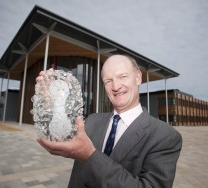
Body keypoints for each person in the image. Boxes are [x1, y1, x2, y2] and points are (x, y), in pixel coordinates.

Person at [37, 54, 182, 188]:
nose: (116, 86)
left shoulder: (165, 136)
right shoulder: (93, 121)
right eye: (108, 81)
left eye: (123, 76)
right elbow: (59, 138)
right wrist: (52, 104)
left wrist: (90, 156)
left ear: (138, 77)